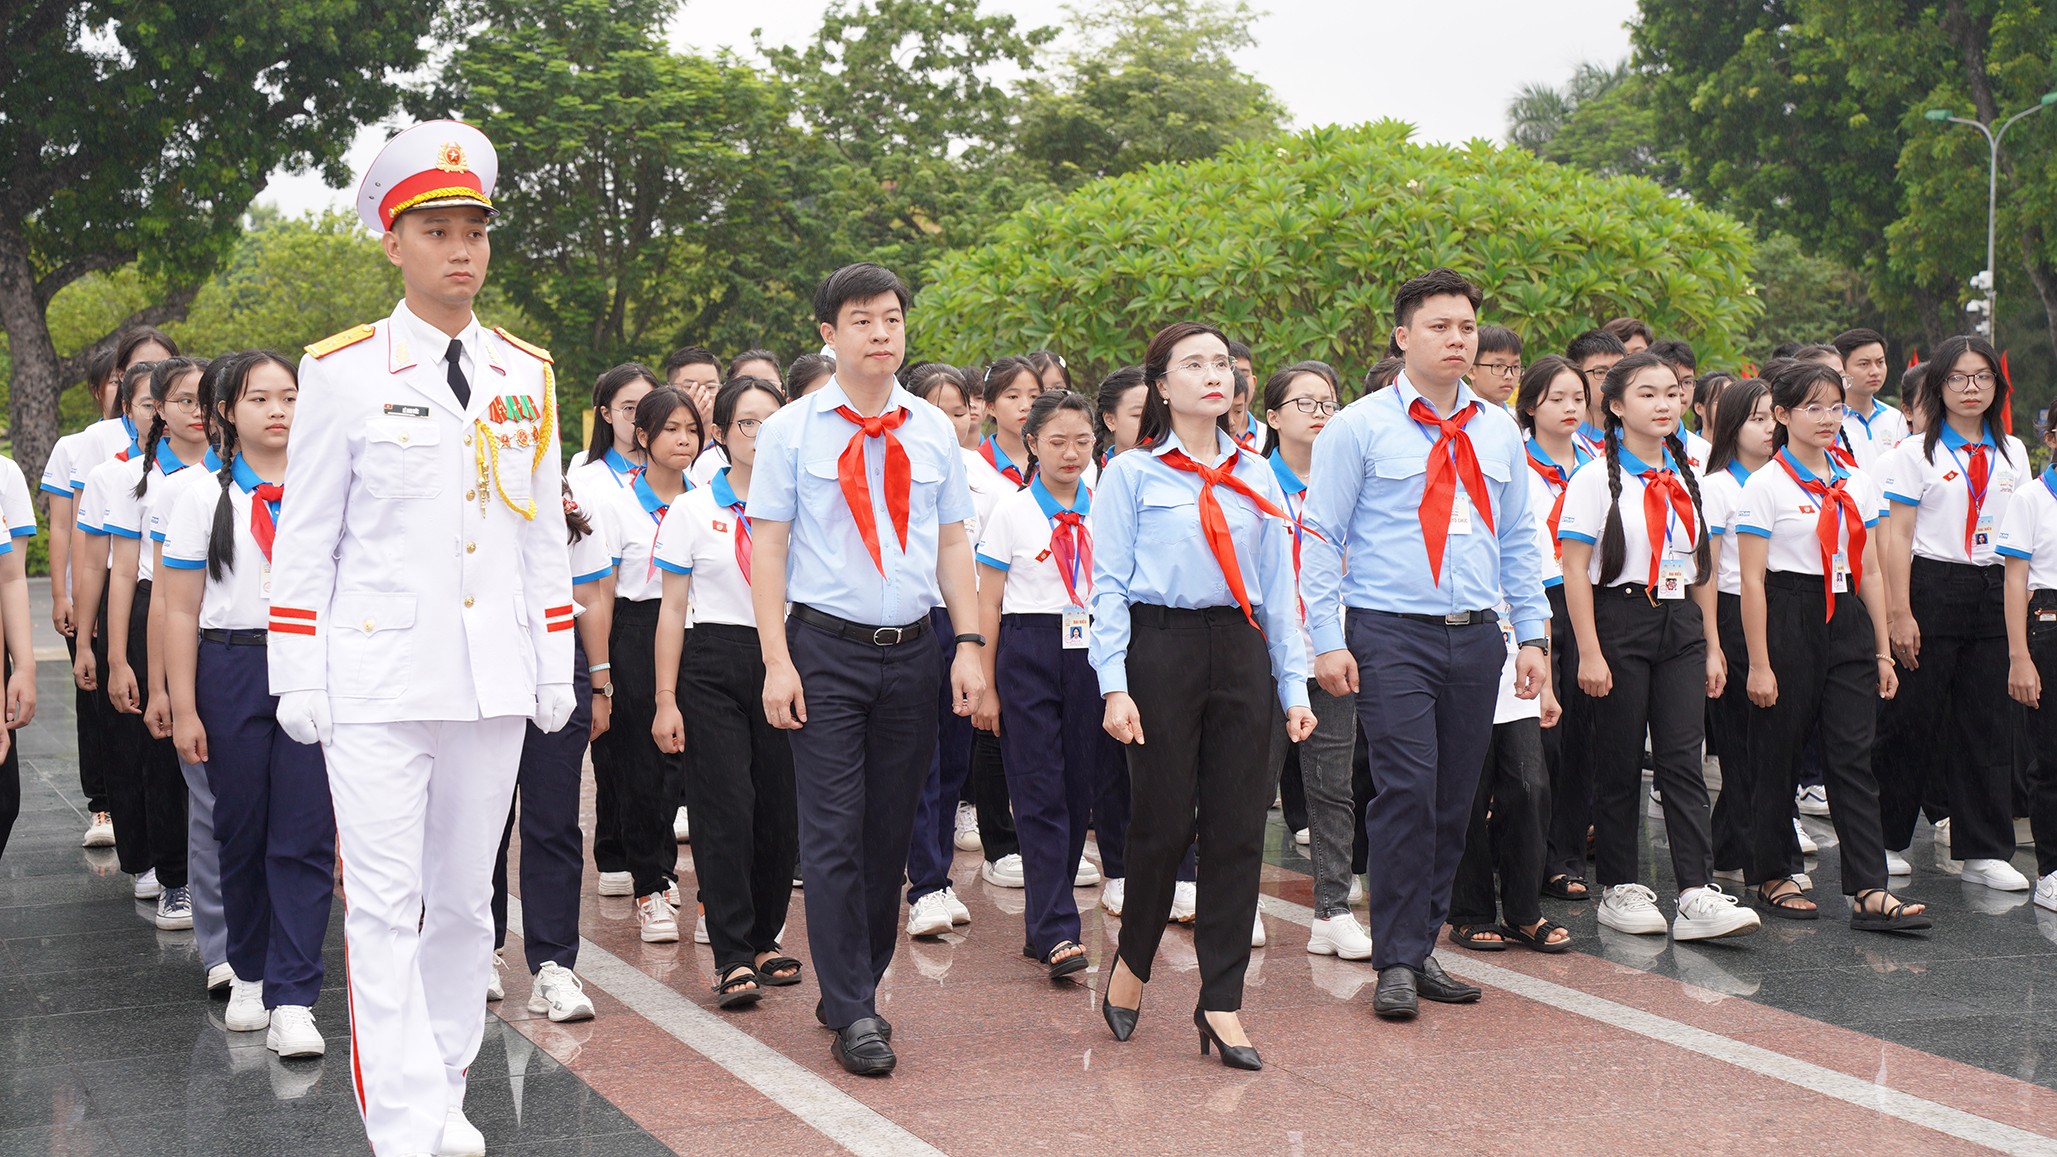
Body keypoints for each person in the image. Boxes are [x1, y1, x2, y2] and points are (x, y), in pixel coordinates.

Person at [266, 120, 575, 1157]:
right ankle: (397, 1118)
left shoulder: (525, 371)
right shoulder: (345, 370)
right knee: (386, 904)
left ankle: (442, 1087)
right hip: (379, 678)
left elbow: (537, 538)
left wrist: (554, 659)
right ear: (393, 242)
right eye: (436, 230)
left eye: (474, 231)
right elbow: (305, 538)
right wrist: (296, 669)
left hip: (490, 682)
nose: (461, 251)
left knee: (462, 906)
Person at [748, 262, 984, 1077]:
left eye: (891, 319)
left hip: (914, 650)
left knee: (890, 832)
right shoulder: (791, 432)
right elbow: (769, 547)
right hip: (824, 650)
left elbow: (953, 543)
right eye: (862, 320)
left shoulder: (930, 430)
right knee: (832, 831)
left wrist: (969, 644)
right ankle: (855, 1007)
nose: (881, 333)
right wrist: (776, 660)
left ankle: (853, 981)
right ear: (828, 332)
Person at [1300, 269, 1546, 1021]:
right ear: (1403, 336)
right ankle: (1395, 959)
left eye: (1466, 327)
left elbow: (1515, 539)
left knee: (1452, 799)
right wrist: (1323, 638)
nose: (1456, 339)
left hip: (1475, 636)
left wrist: (1531, 634)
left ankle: (1420, 938)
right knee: (1405, 789)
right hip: (1387, 632)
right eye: (1439, 326)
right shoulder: (1359, 426)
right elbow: (1319, 535)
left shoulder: (1498, 428)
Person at [1091, 321, 1313, 1070]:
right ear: (1160, 385)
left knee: (1238, 829)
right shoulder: (1131, 473)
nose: (1213, 375)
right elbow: (1108, 588)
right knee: (1158, 822)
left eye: (1221, 363)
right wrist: (1114, 684)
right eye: (1193, 364)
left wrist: (1293, 683)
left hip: (1242, 649)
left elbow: (1282, 593)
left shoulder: (1259, 474)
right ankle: (1131, 960)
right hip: (1161, 648)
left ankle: (1220, 1001)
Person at [158, 350, 335, 1057]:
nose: (279, 411)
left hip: (312, 667)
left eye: (289, 397)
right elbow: (177, 609)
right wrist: (184, 703)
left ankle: (294, 994)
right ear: (227, 409)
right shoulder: (202, 496)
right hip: (230, 662)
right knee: (240, 827)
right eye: (260, 398)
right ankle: (250, 972)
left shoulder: (325, 490)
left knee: (305, 831)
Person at [1557, 352, 1761, 944]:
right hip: (1616, 619)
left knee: (1682, 759)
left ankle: (1696, 891)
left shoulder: (1687, 474)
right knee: (1618, 759)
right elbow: (1574, 571)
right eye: (1648, 394)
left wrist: (1713, 647)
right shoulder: (1594, 478)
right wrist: (1589, 652)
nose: (1665, 403)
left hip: (1679, 626)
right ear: (1617, 407)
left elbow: (1703, 570)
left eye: (1672, 392)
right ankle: (1621, 886)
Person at [1736, 359, 1930, 931]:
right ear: (1782, 415)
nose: (1827, 418)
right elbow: (1751, 581)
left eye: (1835, 407)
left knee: (1852, 755)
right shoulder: (1765, 485)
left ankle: (1868, 888)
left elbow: (1869, 568)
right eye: (1812, 407)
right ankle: (1773, 870)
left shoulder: (1854, 480)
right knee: (1779, 750)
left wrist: (1880, 649)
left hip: (1844, 614)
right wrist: (1760, 663)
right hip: (1787, 613)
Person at [654, 377, 802, 1008]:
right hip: (713, 659)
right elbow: (671, 610)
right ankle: (733, 951)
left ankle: (766, 938)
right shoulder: (691, 510)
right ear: (722, 433)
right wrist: (665, 699)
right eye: (747, 423)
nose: (760, 435)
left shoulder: (799, 506)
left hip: (786, 659)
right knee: (726, 806)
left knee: (778, 806)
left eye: (772, 423)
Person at [974, 391, 1121, 979]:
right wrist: (985, 683)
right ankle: (1060, 927)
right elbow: (988, 600)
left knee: (1079, 790)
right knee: (1038, 790)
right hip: (1027, 648)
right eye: (1056, 441)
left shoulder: (1108, 505)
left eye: (1082, 442)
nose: (1070, 453)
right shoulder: (1010, 512)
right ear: (1031, 442)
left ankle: (1044, 922)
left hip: (1093, 651)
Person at [1877, 336, 2030, 891]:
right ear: (1939, 385)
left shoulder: (2013, 450)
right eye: (1959, 378)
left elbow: (2016, 537)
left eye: (1983, 377)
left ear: (1997, 386)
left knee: (1987, 722)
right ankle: (1887, 837)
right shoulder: (1913, 452)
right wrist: (1899, 611)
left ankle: (1985, 849)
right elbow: (1896, 536)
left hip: (1992, 587)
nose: (1972, 388)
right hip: (1931, 584)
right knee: (1911, 719)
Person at [76, 356, 218, 932]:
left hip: (217, 615)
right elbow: (120, 571)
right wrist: (110, 654)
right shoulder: (125, 478)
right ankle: (172, 874)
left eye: (208, 399)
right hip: (149, 610)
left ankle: (210, 868)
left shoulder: (230, 472)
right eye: (185, 400)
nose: (199, 412)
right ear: (157, 407)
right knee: (156, 747)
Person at [1255, 361, 1369, 960]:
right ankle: (1237, 901)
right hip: (1266, 654)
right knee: (1249, 785)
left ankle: (1331, 910)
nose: (1321, 414)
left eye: (1329, 403)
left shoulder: (1349, 480)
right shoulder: (1252, 481)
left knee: (1332, 786)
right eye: (1306, 404)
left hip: (1331, 652)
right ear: (1272, 417)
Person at [488, 473, 613, 1021]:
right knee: (480, 819)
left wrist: (601, 684)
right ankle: (478, 952)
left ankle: (554, 965)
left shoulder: (565, 503)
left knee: (553, 820)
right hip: (481, 663)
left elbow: (589, 592)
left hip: (557, 665)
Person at [581, 385, 702, 940]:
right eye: (671, 429)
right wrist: (601, 673)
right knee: (639, 769)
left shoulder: (708, 498)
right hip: (636, 629)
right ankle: (651, 885)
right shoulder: (614, 504)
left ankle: (705, 893)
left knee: (695, 770)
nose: (683, 440)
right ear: (643, 436)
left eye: (692, 430)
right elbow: (601, 592)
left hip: (699, 632)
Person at [902, 366, 1015, 931]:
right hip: (912, 622)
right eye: (938, 408)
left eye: (959, 409)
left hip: (962, 626)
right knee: (918, 760)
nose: (953, 420)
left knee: (951, 760)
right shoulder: (896, 465)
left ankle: (936, 875)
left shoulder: (990, 483)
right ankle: (924, 883)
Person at [1698, 379, 1797, 884]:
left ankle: (1741, 843)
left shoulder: (1789, 479)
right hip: (1735, 614)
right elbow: (1710, 573)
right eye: (1756, 419)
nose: (1768, 428)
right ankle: (1742, 850)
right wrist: (1713, 643)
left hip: (1784, 610)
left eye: (1771, 418)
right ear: (1732, 425)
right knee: (1740, 744)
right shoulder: (1716, 486)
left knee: (1777, 741)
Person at [1519, 356, 1599, 904]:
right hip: (1537, 599)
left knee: (1587, 736)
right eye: (1556, 399)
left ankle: (1566, 856)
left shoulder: (1599, 462)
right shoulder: (1517, 465)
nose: (1571, 408)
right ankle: (1531, 854)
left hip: (1594, 600)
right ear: (1531, 406)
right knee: (1543, 737)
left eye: (1577, 397)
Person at [2000, 411, 2057, 912]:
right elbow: (2015, 580)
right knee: (2050, 758)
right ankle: (2051, 869)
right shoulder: (2031, 498)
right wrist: (2019, 655)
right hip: (2050, 624)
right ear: (2051, 437)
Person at [566, 362, 656, 490]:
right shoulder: (584, 481)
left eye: (649, 406)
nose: (640, 417)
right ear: (606, 414)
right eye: (629, 408)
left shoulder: (679, 469)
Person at [1833, 328, 1908, 470]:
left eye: (1880, 362)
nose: (1875, 371)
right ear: (1841, 368)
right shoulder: (1829, 421)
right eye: (1864, 364)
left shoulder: (1897, 419)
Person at [975, 357, 1039, 488]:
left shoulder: (1055, 463)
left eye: (1034, 396)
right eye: (1013, 396)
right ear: (990, 406)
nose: (1026, 406)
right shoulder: (971, 468)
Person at [1565, 330, 1628, 459]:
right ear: (1576, 376)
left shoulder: (1636, 438)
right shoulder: (1565, 440)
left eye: (1620, 371)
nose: (1612, 380)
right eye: (1600, 372)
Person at [1471, 326, 1523, 408]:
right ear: (1471, 371)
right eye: (1498, 366)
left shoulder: (1516, 419)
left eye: (1515, 367)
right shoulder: (1456, 419)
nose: (1509, 376)